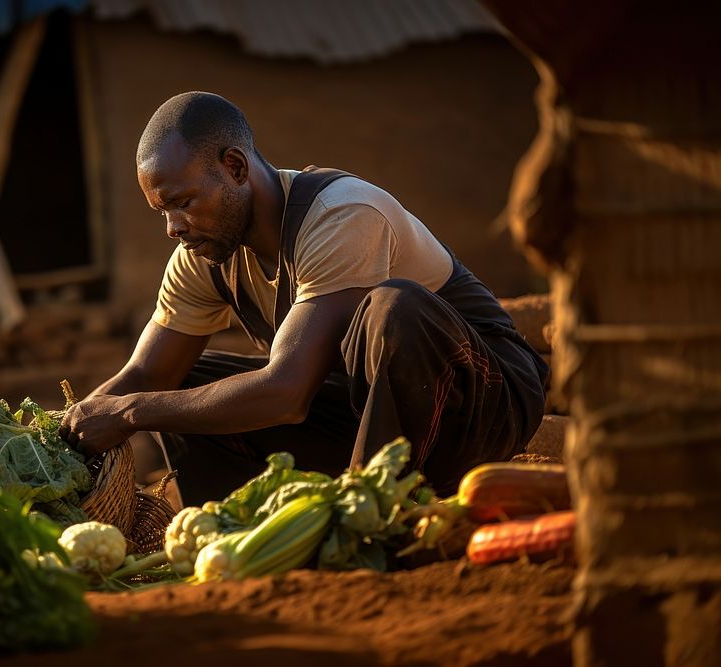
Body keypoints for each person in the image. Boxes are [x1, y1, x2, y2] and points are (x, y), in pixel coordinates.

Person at [59, 91, 548, 506]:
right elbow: (147, 375)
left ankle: (369, 520)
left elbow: (287, 393)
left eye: (183, 202)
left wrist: (130, 413)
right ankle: (233, 533)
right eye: (161, 211)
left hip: (481, 402)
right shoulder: (204, 254)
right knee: (180, 386)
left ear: (234, 168)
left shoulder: (341, 214)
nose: (172, 227)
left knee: (395, 308)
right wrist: (54, 440)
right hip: (367, 419)